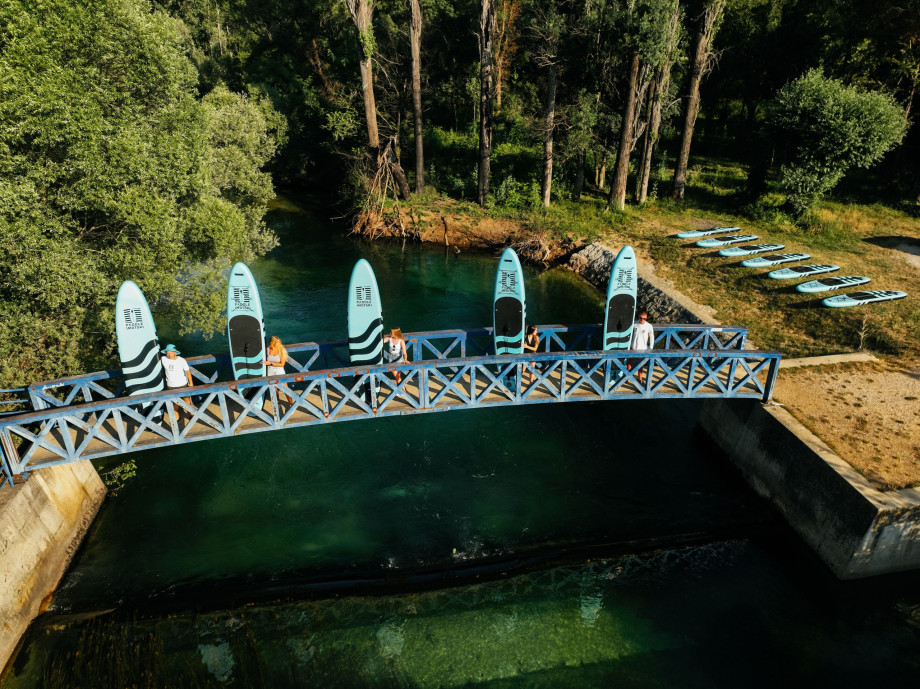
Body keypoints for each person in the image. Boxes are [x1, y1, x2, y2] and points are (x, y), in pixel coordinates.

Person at [161, 344, 193, 418]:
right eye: (167, 352)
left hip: (182, 384)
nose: (169, 354)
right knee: (175, 404)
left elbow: (187, 371)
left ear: (175, 352)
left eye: (171, 352)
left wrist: (191, 383)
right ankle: (177, 419)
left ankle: (189, 414)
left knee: (187, 401)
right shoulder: (163, 359)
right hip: (171, 385)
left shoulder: (181, 360)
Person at [264, 336, 292, 405]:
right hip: (270, 371)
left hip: (279, 371)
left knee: (285, 389)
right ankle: (278, 402)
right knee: (274, 389)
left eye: (279, 342)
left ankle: (291, 404)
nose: (278, 344)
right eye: (276, 343)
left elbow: (282, 364)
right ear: (272, 343)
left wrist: (270, 363)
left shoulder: (281, 350)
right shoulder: (267, 349)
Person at [628, 311, 654, 385]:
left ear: (646, 318)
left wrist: (651, 347)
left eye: (644, 319)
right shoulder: (634, 324)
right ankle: (627, 376)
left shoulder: (649, 326)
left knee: (640, 364)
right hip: (633, 346)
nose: (642, 320)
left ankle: (640, 379)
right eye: (640, 318)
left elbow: (651, 337)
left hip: (642, 348)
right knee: (630, 361)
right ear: (638, 317)